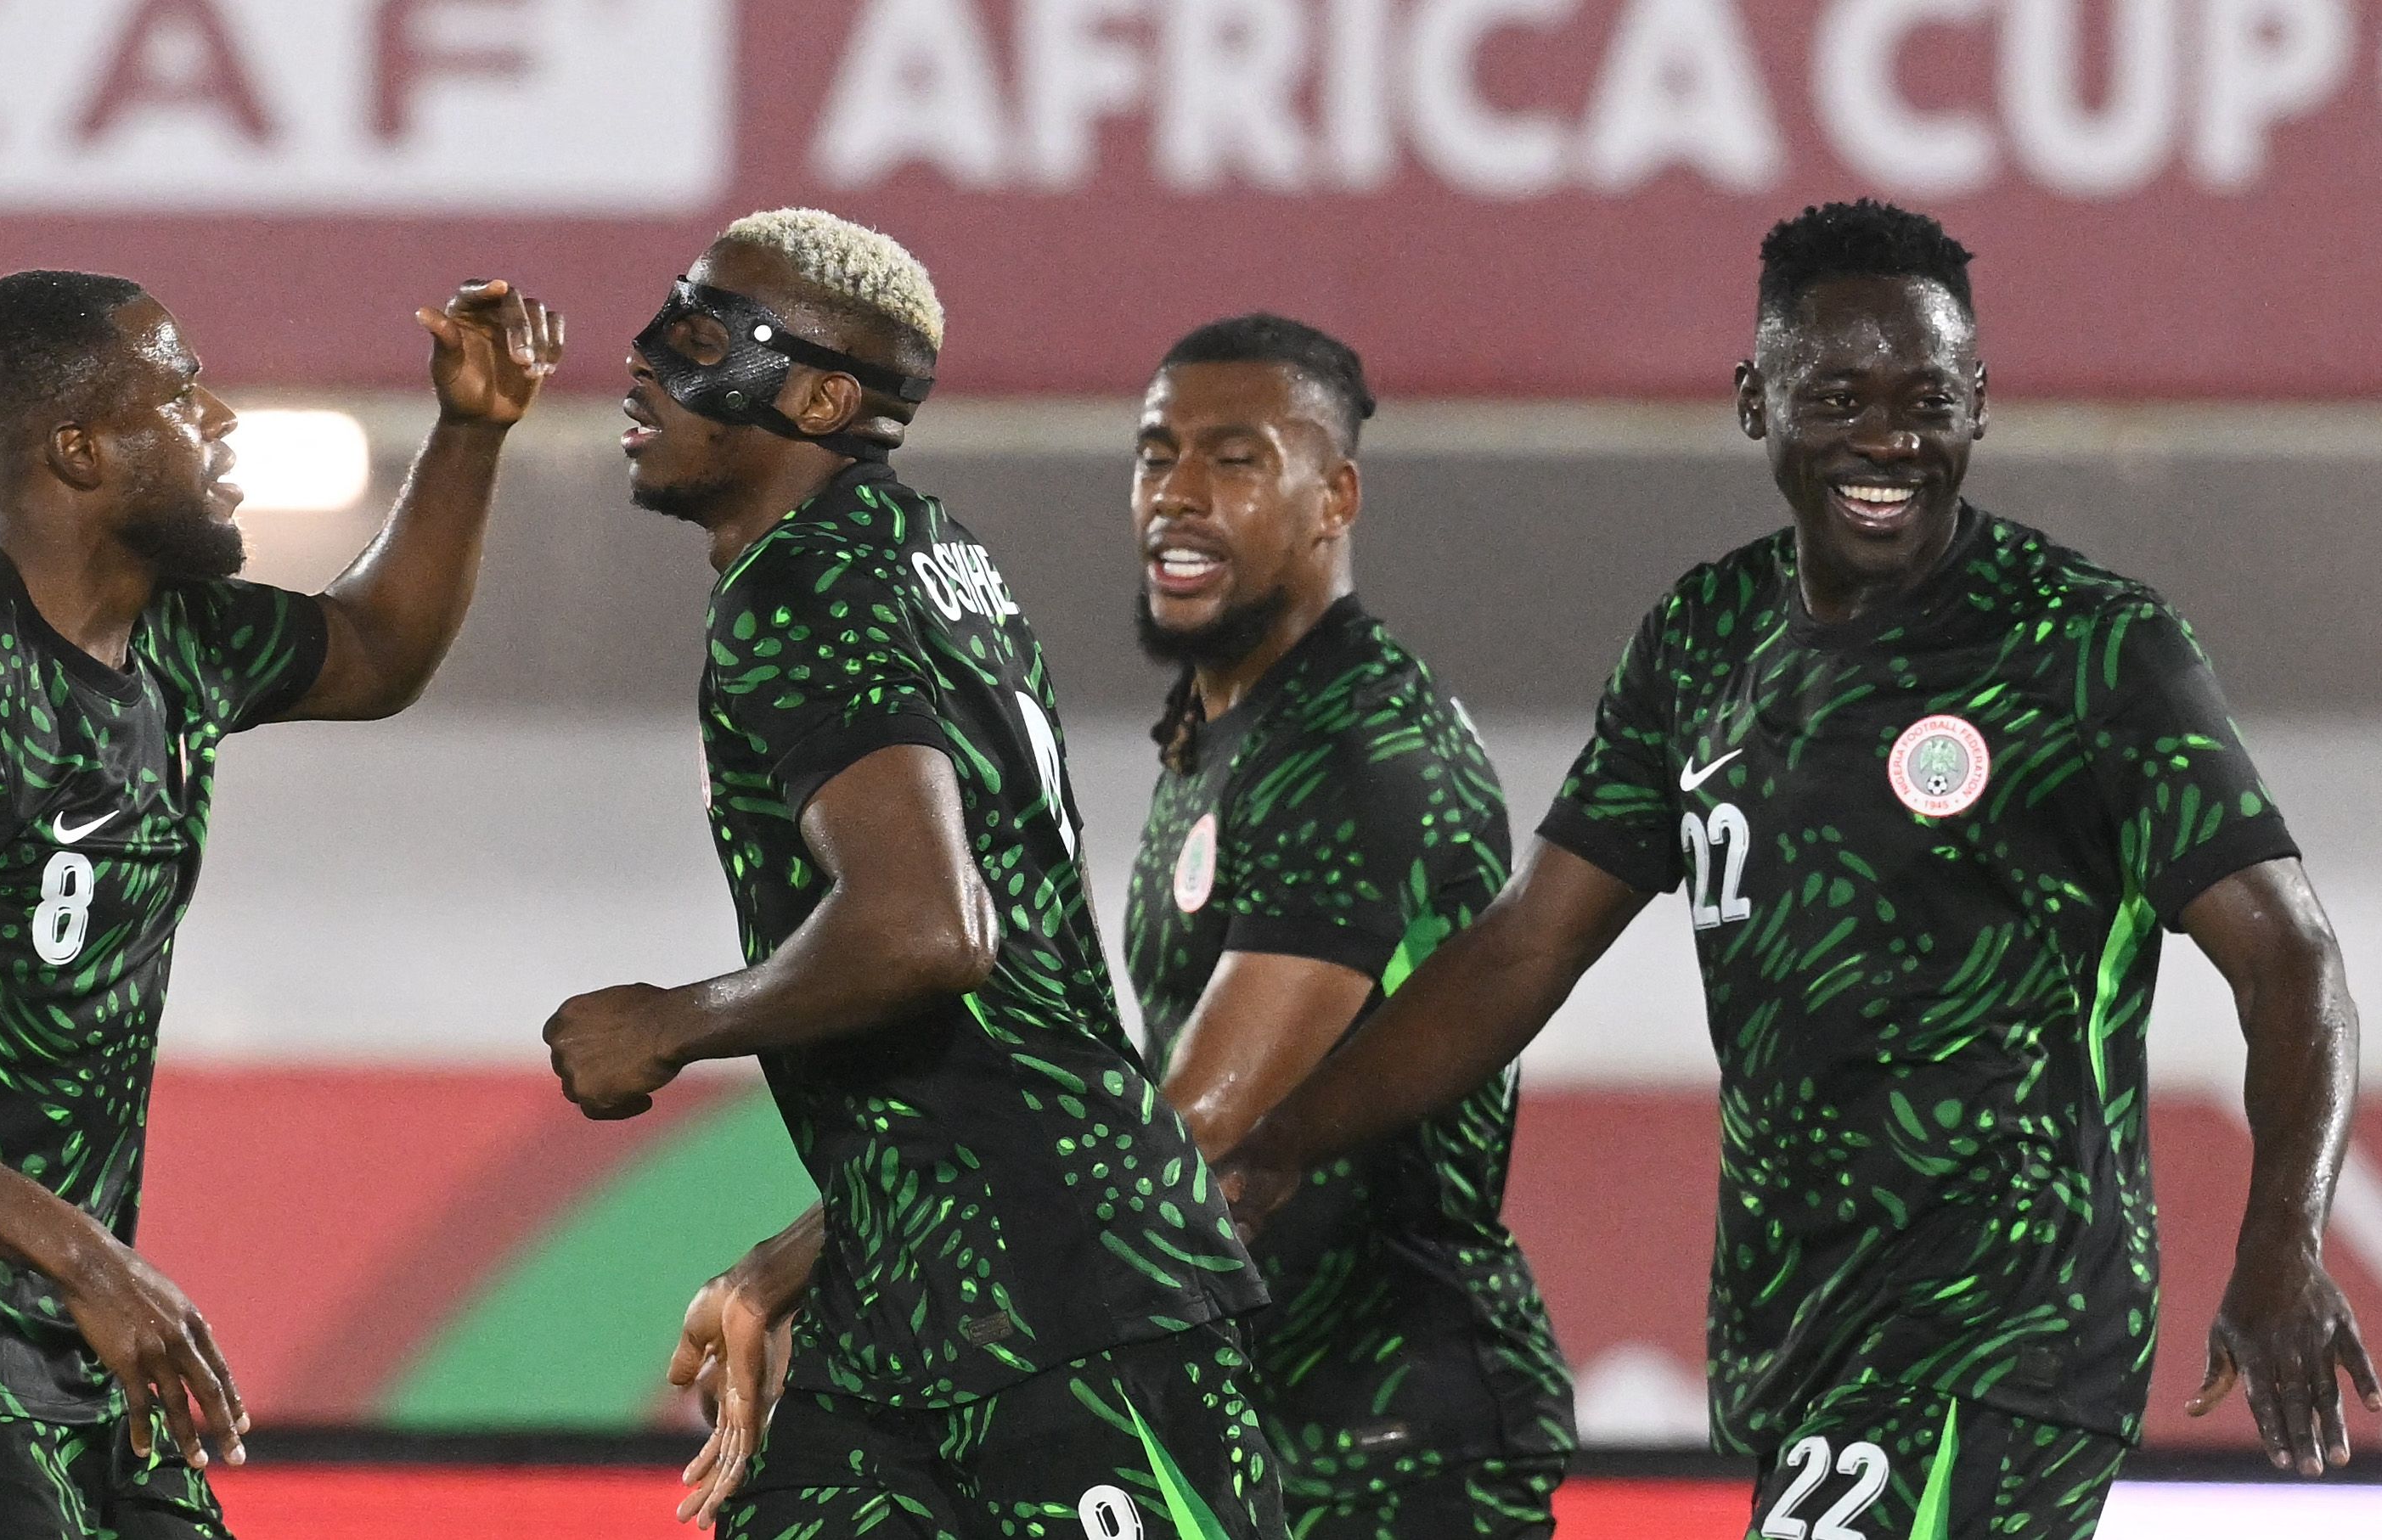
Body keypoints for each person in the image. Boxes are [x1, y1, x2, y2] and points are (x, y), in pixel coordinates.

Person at [1215, 200, 2380, 1539]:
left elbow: (2291, 958)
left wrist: (2281, 1239)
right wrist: (1283, 1140)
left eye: (1926, 400)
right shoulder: (1703, 639)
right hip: (1798, 1337)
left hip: (2000, 1326)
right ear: (1754, 400)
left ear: (1978, 405)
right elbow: (1527, 944)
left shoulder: (2090, 650)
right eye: (1837, 398)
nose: (1887, 439)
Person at [0, 268, 555, 1539]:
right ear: (79, 450)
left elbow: (378, 649)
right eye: (179, 393)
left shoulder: (181, 640)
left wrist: (470, 430)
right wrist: (87, 1256)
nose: (219, 420)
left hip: (78, 1353)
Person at [538, 208, 1286, 1540]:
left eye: (702, 335)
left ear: (819, 399)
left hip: (1070, 1300)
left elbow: (927, 928)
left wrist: (666, 1022)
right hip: (915, 1284)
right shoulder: (929, 557)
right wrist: (798, 1255)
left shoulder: (803, 582)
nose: (646, 357)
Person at [1121, 314, 1572, 1536]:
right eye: (1157, 455)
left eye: (1235, 459)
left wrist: (862, 1263)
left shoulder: (1359, 746)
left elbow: (1200, 1120)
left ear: (1336, 498)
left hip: (1393, 1445)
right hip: (1258, 1420)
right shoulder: (1221, 729)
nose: (1178, 494)